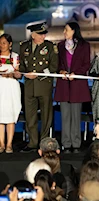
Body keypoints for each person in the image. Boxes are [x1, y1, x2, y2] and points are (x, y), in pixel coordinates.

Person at [19, 22, 58, 152]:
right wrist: (25, 74)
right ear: (33, 35)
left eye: (44, 34)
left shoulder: (50, 47)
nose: (43, 36)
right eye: (40, 34)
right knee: (30, 116)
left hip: (44, 85)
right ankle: (32, 142)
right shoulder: (24, 47)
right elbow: (22, 66)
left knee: (46, 115)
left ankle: (44, 142)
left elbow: (53, 66)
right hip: (29, 87)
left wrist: (38, 75)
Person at [54, 22, 91, 153]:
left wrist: (77, 74)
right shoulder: (60, 46)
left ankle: (76, 144)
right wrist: (62, 71)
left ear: (74, 31)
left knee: (76, 116)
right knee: (65, 116)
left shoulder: (84, 46)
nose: (64, 32)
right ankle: (66, 144)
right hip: (64, 85)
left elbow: (87, 64)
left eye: (67, 30)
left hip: (77, 85)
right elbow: (57, 64)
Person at [0, 33, 22, 153]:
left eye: (4, 43)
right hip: (0, 87)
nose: (1, 45)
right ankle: (1, 144)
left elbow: (18, 73)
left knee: (10, 116)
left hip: (11, 88)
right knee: (0, 116)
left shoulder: (14, 57)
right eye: (0, 43)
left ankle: (9, 145)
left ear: (10, 44)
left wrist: (11, 74)